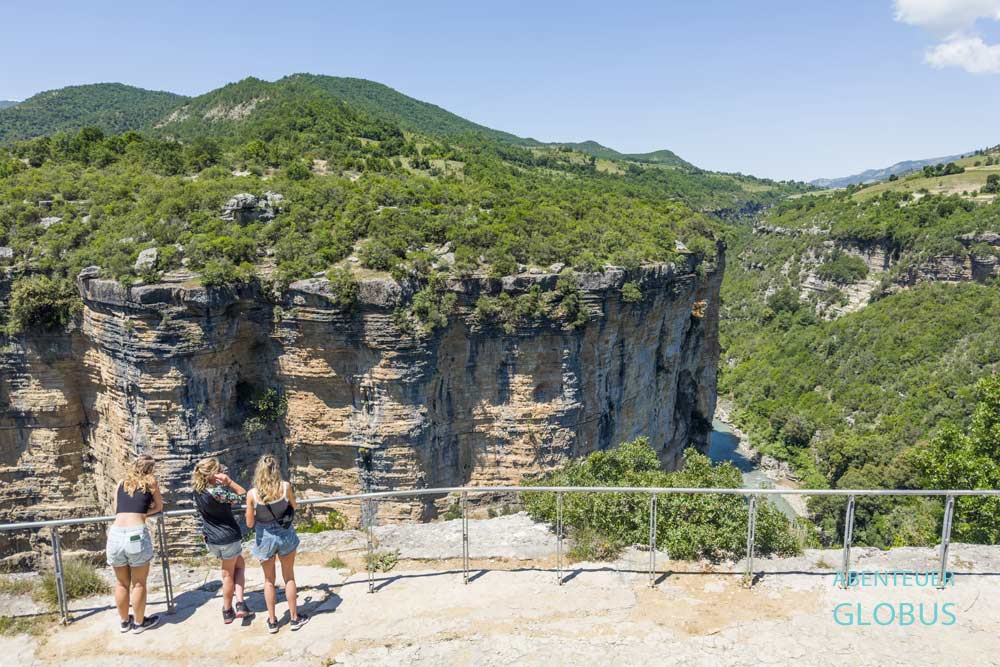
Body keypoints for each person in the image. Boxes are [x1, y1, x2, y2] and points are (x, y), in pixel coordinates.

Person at [245, 454, 308, 633]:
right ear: (276, 470)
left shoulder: (252, 494)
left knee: (269, 581)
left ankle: (273, 621)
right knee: (289, 577)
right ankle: (295, 618)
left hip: (264, 537)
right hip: (285, 533)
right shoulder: (285, 487)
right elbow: (294, 506)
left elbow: (249, 523)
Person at [106, 453, 163, 634]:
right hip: (135, 533)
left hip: (115, 534)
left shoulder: (121, 483)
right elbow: (159, 507)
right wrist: (144, 511)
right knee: (138, 583)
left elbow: (116, 509)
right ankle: (139, 623)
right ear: (150, 469)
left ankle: (124, 622)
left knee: (121, 583)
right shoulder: (150, 482)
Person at [192, 457, 252, 623]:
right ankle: (228, 609)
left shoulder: (197, 491)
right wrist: (229, 482)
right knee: (227, 575)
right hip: (227, 537)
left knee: (239, 564)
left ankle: (241, 603)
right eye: (218, 471)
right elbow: (244, 496)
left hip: (211, 539)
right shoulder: (218, 493)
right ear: (213, 474)